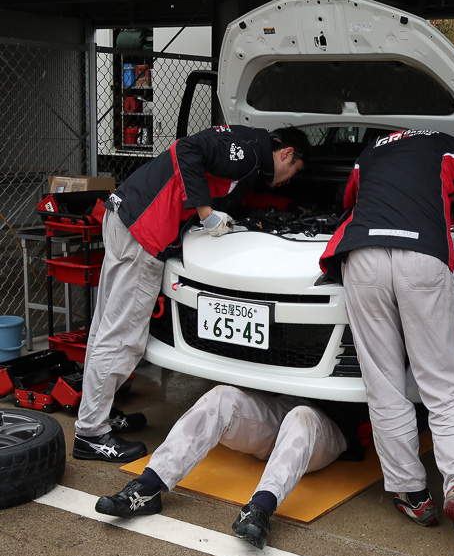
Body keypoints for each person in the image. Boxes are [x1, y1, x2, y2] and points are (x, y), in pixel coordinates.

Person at [73, 125, 311, 463]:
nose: (289, 178)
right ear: (286, 153)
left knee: (105, 330)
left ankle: (98, 413)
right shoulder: (248, 152)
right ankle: (90, 434)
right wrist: (205, 213)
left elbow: (233, 190)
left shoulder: (247, 152)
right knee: (122, 338)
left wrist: (291, 206)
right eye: (294, 171)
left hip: (126, 217)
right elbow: (186, 149)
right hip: (144, 231)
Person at [320, 128, 454, 538]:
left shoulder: (371, 151)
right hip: (421, 255)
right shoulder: (447, 145)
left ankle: (411, 493)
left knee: (384, 383)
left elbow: (348, 200)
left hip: (363, 256)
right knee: (442, 382)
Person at [95, 385, 360, 550]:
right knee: (221, 397)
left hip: (326, 424)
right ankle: (148, 488)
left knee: (301, 417)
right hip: (279, 404)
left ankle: (259, 510)